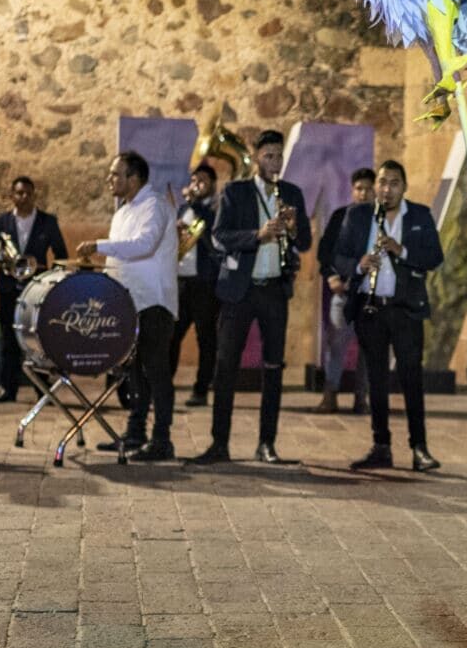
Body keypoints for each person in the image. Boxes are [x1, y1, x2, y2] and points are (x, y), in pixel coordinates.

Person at [189, 129, 310, 466]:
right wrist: (258, 235)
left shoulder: (292, 194)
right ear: (257, 157)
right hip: (239, 291)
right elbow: (219, 237)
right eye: (269, 155)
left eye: (279, 156)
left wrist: (295, 230)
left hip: (274, 289)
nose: (275, 162)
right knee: (225, 367)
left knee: (273, 368)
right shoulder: (236, 192)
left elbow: (306, 244)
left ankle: (266, 444)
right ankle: (219, 444)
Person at [333, 160, 445, 471]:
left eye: (394, 183)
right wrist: (359, 264)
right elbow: (337, 255)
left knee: (411, 379)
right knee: (377, 381)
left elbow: (435, 256)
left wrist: (402, 251)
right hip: (371, 309)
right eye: (382, 182)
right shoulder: (357, 215)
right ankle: (380, 445)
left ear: (404, 187)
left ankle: (419, 448)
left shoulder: (419, 216)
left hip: (406, 311)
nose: (386, 189)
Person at [85, 151, 178, 461]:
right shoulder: (123, 211)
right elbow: (118, 262)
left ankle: (162, 439)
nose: (109, 179)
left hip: (153, 301)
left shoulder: (155, 207)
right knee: (135, 372)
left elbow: (143, 245)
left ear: (133, 178)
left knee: (156, 371)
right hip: (129, 302)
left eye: (115, 174)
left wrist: (98, 246)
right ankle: (135, 433)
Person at [0, 175, 67, 404]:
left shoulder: (48, 221)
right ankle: (8, 389)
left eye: (28, 193)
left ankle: (42, 391)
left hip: (37, 290)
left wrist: (50, 277)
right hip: (9, 288)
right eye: (19, 193)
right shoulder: (2, 221)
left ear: (34, 195)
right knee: (8, 339)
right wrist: (2, 256)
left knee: (38, 339)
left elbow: (61, 254)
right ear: (12, 196)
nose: (24, 197)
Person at [315, 167, 376, 415]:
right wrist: (331, 277)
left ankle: (362, 397)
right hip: (344, 292)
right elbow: (325, 252)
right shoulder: (341, 216)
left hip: (370, 294)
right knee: (336, 344)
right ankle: (330, 394)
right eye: (359, 188)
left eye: (368, 189)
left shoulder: (380, 218)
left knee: (368, 348)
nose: (363, 193)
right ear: (352, 190)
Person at [171, 164, 222, 408]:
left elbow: (211, 228)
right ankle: (165, 384)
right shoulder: (184, 208)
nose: (196, 185)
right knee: (172, 335)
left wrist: (193, 205)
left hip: (204, 282)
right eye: (193, 180)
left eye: (201, 181)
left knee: (206, 338)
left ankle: (201, 389)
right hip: (182, 280)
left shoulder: (215, 207)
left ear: (212, 183)